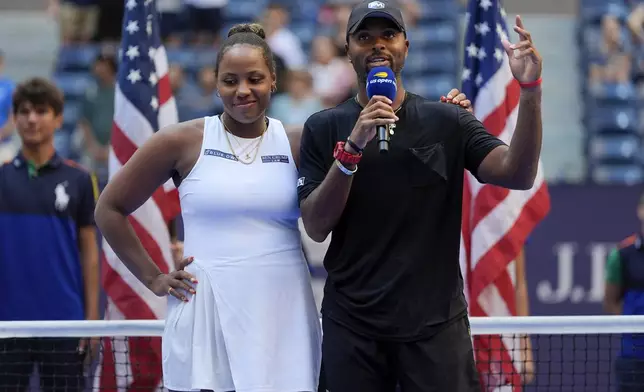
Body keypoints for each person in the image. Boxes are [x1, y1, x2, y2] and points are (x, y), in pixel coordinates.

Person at [297, 1, 544, 391]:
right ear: (348, 50)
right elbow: (315, 225)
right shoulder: (323, 127)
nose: (377, 45)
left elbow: (519, 173)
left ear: (406, 47)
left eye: (388, 35)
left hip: (435, 327)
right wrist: (352, 149)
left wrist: (529, 91)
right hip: (353, 326)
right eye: (364, 37)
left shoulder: (448, 120)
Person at [95, 23, 322, 392]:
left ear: (274, 80)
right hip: (207, 312)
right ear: (215, 82)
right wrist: (154, 277)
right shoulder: (180, 140)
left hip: (284, 311)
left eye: (254, 79)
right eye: (230, 80)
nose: (243, 90)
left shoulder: (299, 140)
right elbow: (109, 208)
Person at [0, 78, 100, 391]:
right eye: (24, 111)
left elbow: (90, 253)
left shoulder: (81, 179)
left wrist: (93, 321)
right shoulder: (1, 177)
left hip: (65, 323)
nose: (32, 119)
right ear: (13, 119)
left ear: (58, 119)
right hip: (7, 323)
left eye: (41, 111)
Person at [604, 193, 644, 392]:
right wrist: (633, 325)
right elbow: (610, 301)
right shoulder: (622, 254)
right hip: (632, 358)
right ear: (640, 211)